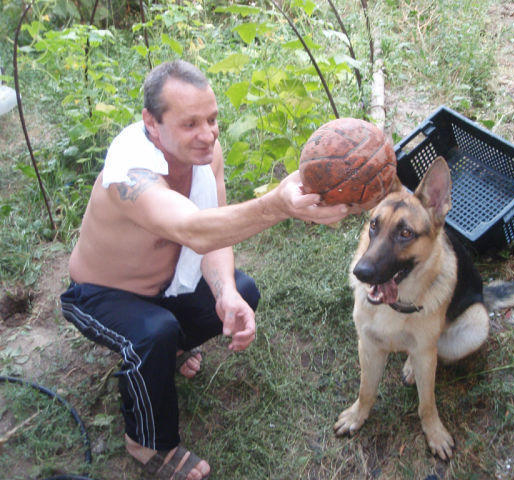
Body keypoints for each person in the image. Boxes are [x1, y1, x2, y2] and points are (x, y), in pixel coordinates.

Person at [60, 59, 359, 480]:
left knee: (243, 290)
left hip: (167, 286)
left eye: (212, 119)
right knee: (154, 332)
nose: (208, 134)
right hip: (101, 295)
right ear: (151, 123)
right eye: (190, 124)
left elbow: (214, 233)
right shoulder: (130, 170)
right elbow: (193, 230)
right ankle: (146, 442)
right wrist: (278, 206)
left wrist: (226, 294)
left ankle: (166, 353)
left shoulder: (205, 154)